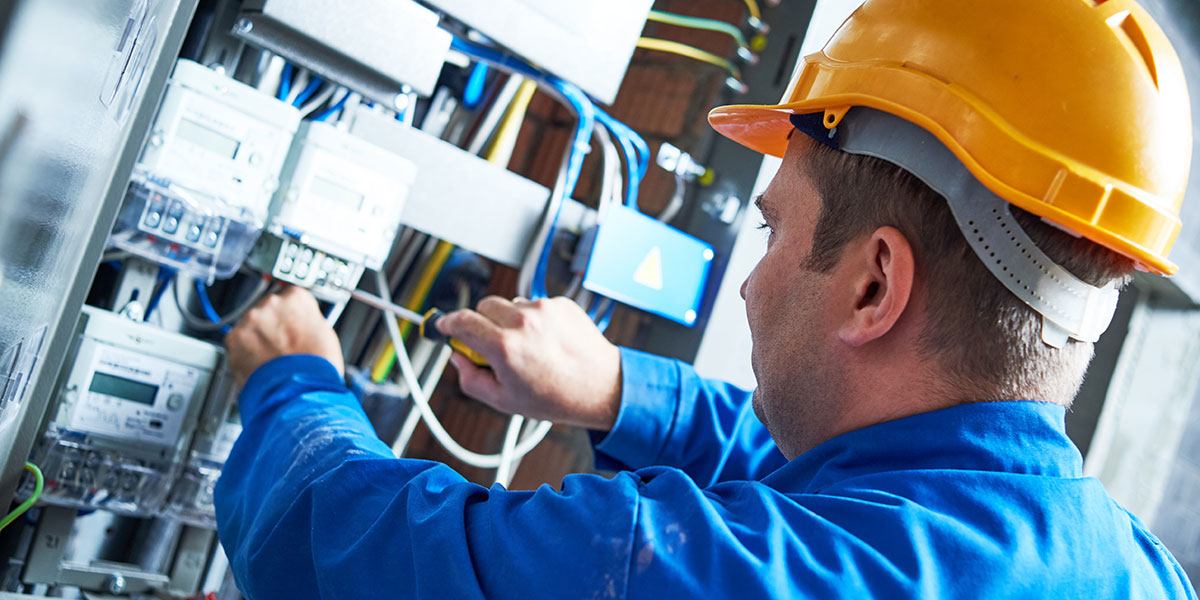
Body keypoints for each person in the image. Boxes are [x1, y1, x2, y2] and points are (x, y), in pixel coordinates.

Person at [214, 0, 1197, 597]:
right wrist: (617, 391)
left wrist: (294, 384)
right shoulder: (1134, 575)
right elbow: (868, 495)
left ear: (873, 284)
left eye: (772, 231)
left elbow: (335, 555)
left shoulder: (704, 575)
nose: (753, 281)